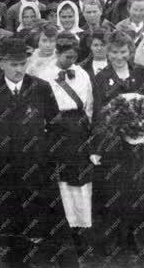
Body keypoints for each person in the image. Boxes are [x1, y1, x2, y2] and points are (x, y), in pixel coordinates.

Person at [0, 37, 70, 267]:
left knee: (51, 226)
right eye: (13, 64)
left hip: (39, 172)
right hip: (5, 174)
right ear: (1, 64)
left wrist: (47, 156)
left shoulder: (41, 88)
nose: (18, 69)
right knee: (11, 230)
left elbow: (56, 127)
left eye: (22, 64)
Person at [90, 30, 144, 255]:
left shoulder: (143, 74)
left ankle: (139, 237)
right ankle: (116, 237)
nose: (118, 56)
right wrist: (99, 145)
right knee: (116, 191)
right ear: (107, 52)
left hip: (142, 143)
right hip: (114, 144)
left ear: (130, 51)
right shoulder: (101, 78)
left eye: (123, 51)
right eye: (114, 52)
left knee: (140, 190)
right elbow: (98, 115)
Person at [36, 32, 94, 256]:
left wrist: (87, 131)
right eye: (67, 57)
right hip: (55, 131)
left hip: (77, 131)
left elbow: (89, 105)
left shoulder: (82, 74)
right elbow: (40, 106)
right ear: (58, 53)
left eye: (74, 57)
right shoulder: (45, 75)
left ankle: (79, 233)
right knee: (59, 181)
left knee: (78, 181)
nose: (71, 61)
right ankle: (60, 232)